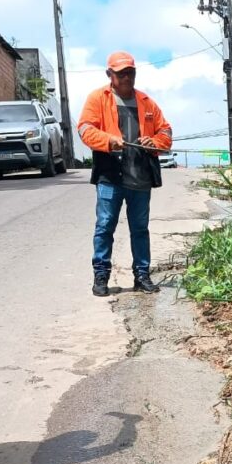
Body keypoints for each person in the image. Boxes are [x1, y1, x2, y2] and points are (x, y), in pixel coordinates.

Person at [77, 51, 172, 297]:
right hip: (110, 175)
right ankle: (101, 275)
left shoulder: (147, 102)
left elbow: (166, 132)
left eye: (130, 72)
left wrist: (154, 142)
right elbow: (85, 129)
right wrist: (108, 141)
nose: (127, 77)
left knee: (140, 228)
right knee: (105, 225)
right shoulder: (97, 99)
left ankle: (142, 275)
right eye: (121, 74)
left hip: (140, 177)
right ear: (110, 74)